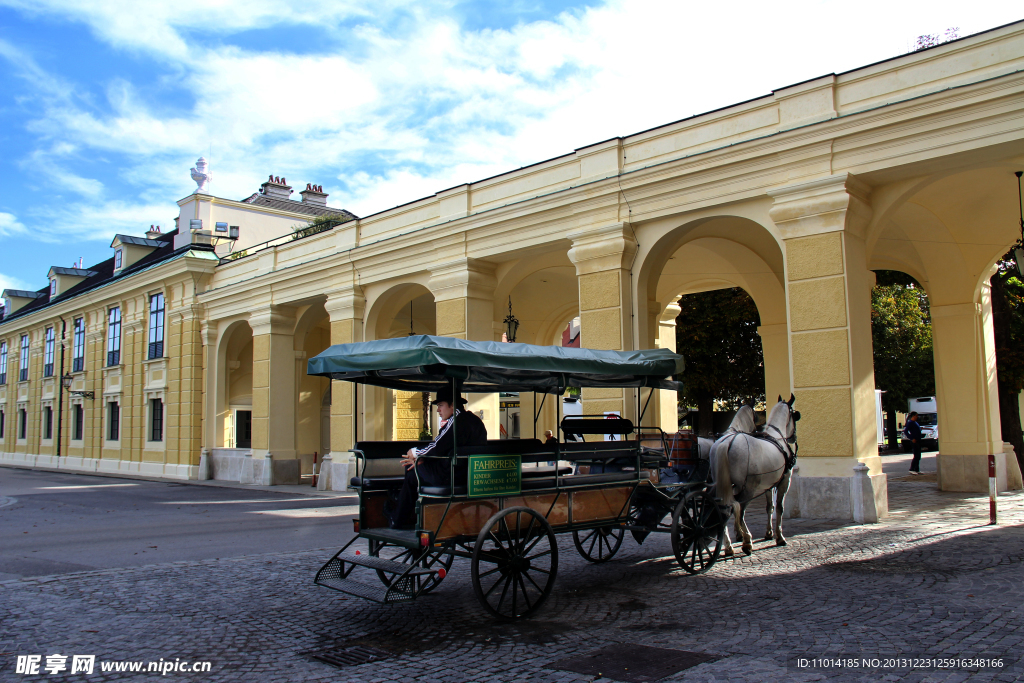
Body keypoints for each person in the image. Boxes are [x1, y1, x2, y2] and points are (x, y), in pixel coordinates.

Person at [385, 387, 487, 529]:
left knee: (411, 469)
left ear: (452, 405)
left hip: (451, 476)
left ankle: (397, 518)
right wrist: (423, 458)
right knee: (417, 467)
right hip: (469, 473)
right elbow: (445, 446)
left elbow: (438, 446)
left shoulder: (457, 420)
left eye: (440, 405)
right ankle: (404, 499)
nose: (438, 410)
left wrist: (415, 453)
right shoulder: (474, 420)